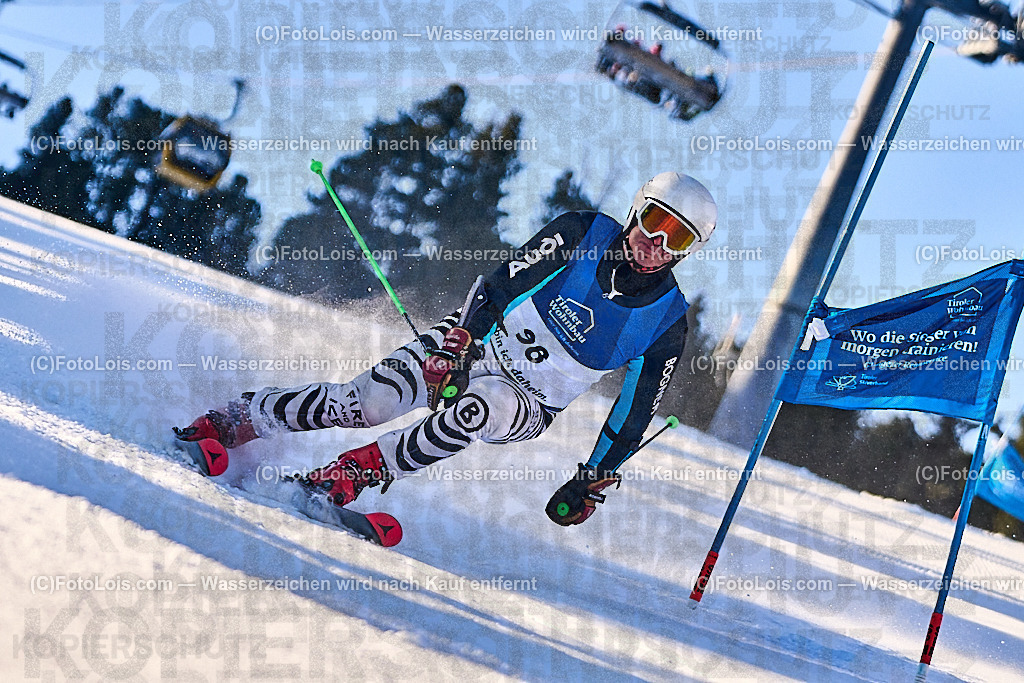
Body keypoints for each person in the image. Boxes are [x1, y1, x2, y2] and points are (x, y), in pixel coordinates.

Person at [176, 172, 718, 526]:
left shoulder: (666, 321)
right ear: (636, 210)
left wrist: (592, 476)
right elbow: (500, 283)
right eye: (655, 222)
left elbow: (633, 412)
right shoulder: (582, 232)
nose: (657, 244)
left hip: (526, 401)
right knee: (370, 404)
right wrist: (461, 344)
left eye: (679, 239)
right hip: (474, 342)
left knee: (477, 409)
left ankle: (347, 477)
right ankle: (239, 419)